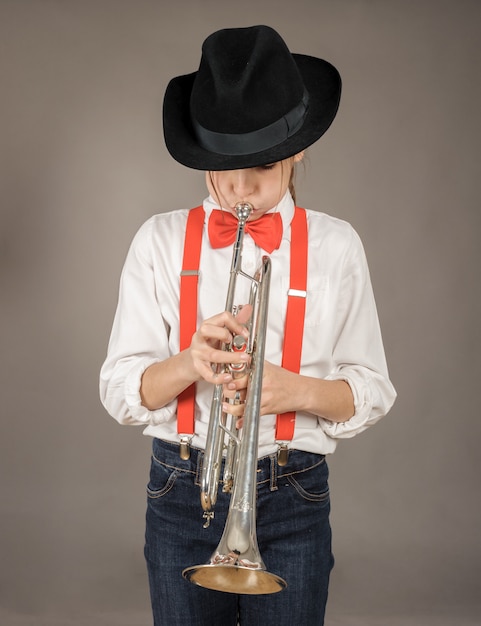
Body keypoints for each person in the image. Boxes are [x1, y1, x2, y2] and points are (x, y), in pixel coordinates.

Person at [99, 24, 396, 626]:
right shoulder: (157, 241)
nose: (240, 188)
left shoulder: (337, 247)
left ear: (298, 149)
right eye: (221, 166)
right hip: (182, 492)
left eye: (260, 165)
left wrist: (294, 390)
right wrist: (189, 363)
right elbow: (119, 391)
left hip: (294, 495)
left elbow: (371, 390)